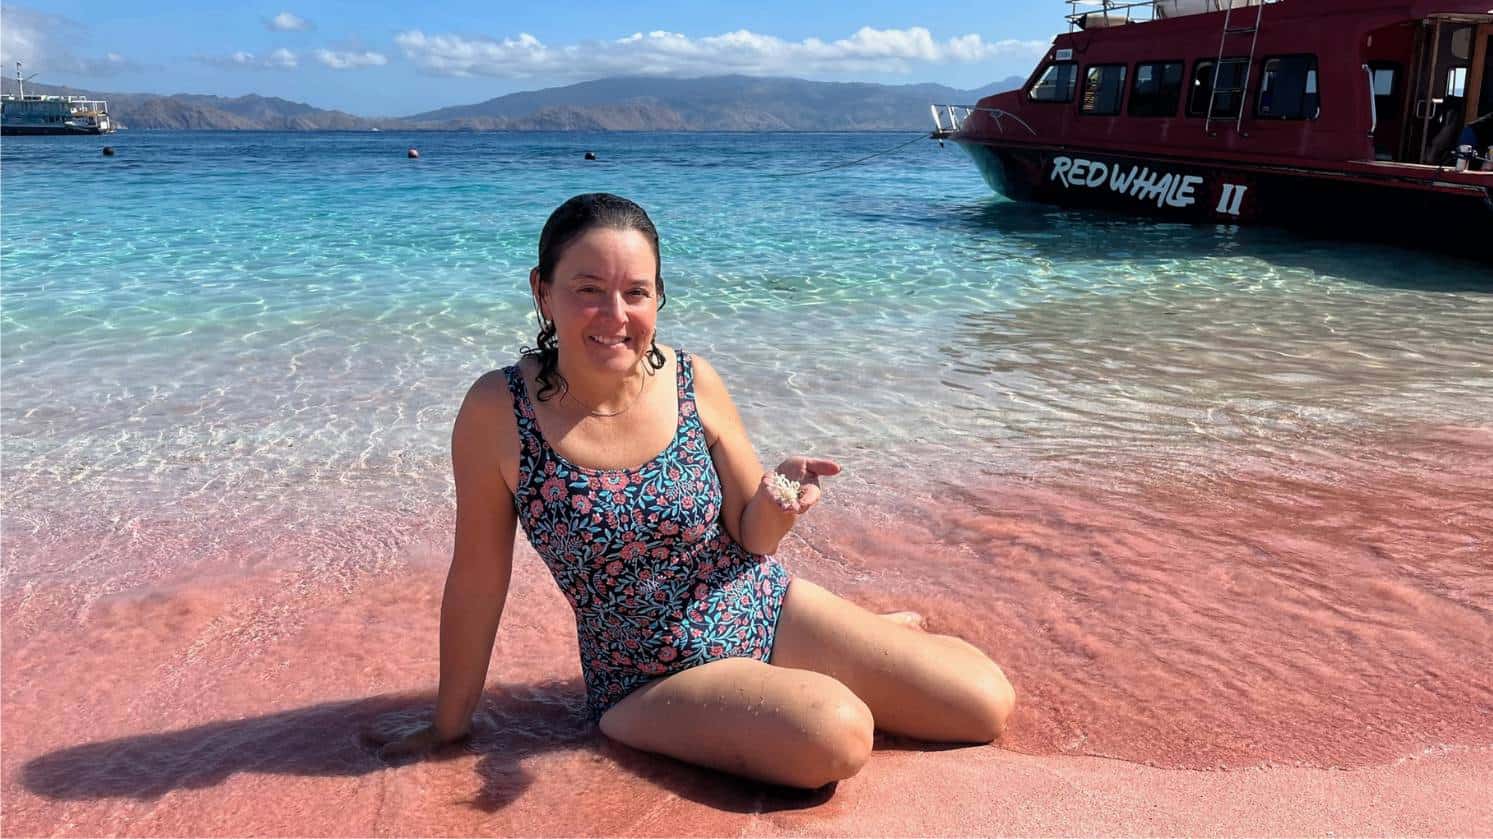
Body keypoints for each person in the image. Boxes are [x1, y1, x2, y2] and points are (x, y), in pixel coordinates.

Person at [368, 193, 1015, 789]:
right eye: (587, 289)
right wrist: (448, 725)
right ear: (543, 293)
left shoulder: (690, 379)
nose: (614, 314)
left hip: (762, 606)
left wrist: (780, 498)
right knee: (836, 735)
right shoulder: (497, 411)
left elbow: (750, 534)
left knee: (985, 704)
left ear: (658, 298)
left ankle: (858, 650)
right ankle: (820, 677)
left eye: (635, 292)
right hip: (648, 675)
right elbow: (478, 579)